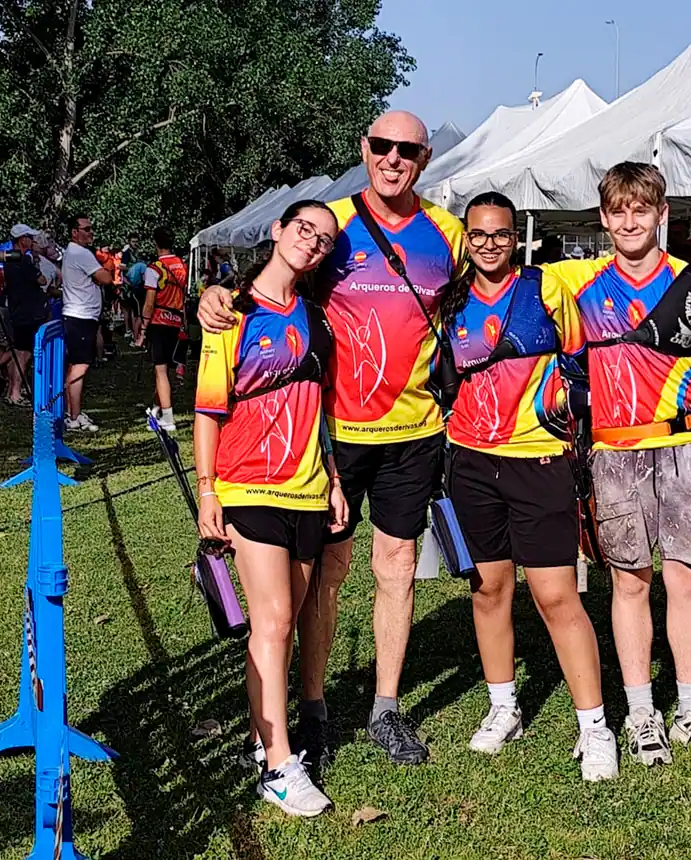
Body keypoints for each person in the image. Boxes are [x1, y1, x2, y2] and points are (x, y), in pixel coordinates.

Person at [198, 111, 464, 767]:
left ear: (425, 160)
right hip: (334, 437)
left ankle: (385, 710)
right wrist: (216, 294)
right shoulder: (332, 225)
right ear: (364, 150)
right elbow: (275, 284)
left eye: (408, 150)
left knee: (397, 569)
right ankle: (313, 710)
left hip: (415, 433)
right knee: (326, 577)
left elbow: (475, 304)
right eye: (382, 146)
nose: (393, 159)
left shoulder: (449, 234)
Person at [552, 162, 691, 768]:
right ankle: (641, 712)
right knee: (629, 580)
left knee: (686, 578)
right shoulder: (578, 286)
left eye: (643, 210)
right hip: (614, 451)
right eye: (619, 211)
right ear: (604, 218)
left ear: (661, 215)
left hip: (687, 445)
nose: (630, 221)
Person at [440, 192, 618, 781]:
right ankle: (502, 706)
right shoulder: (452, 298)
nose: (489, 244)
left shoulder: (546, 289)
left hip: (538, 459)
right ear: (466, 238)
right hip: (470, 461)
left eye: (500, 234)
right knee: (489, 590)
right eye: (479, 235)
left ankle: (594, 726)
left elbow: (579, 360)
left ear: (516, 238)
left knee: (555, 594)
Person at [194, 199, 348, 817]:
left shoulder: (317, 316)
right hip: (249, 485)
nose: (311, 242)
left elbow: (323, 409)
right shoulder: (229, 313)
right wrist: (208, 488)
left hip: (309, 488)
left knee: (279, 627)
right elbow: (208, 408)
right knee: (276, 620)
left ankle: (264, 743)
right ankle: (282, 766)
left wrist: (334, 479)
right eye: (303, 229)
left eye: (324, 240)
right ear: (278, 230)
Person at [61, 214, 114, 432]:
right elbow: (106, 278)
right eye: (86, 229)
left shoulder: (73, 253)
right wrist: (109, 265)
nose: (91, 232)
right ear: (75, 232)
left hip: (80, 315)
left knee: (76, 365)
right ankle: (73, 417)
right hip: (80, 316)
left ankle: (73, 411)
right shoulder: (81, 253)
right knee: (80, 366)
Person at [133, 228, 187, 431]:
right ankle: (157, 408)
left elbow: (149, 303)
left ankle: (168, 417)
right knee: (165, 371)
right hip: (176, 321)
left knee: (160, 369)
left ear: (155, 244)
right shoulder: (182, 265)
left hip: (159, 321)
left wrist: (143, 328)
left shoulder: (154, 268)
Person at [3, 224, 48, 405]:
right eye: (30, 238)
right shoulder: (23, 261)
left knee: (20, 351)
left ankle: (14, 390)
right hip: (27, 313)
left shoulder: (9, 261)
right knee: (24, 353)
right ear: (23, 240)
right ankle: (15, 392)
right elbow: (42, 280)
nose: (33, 241)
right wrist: (37, 263)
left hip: (18, 310)